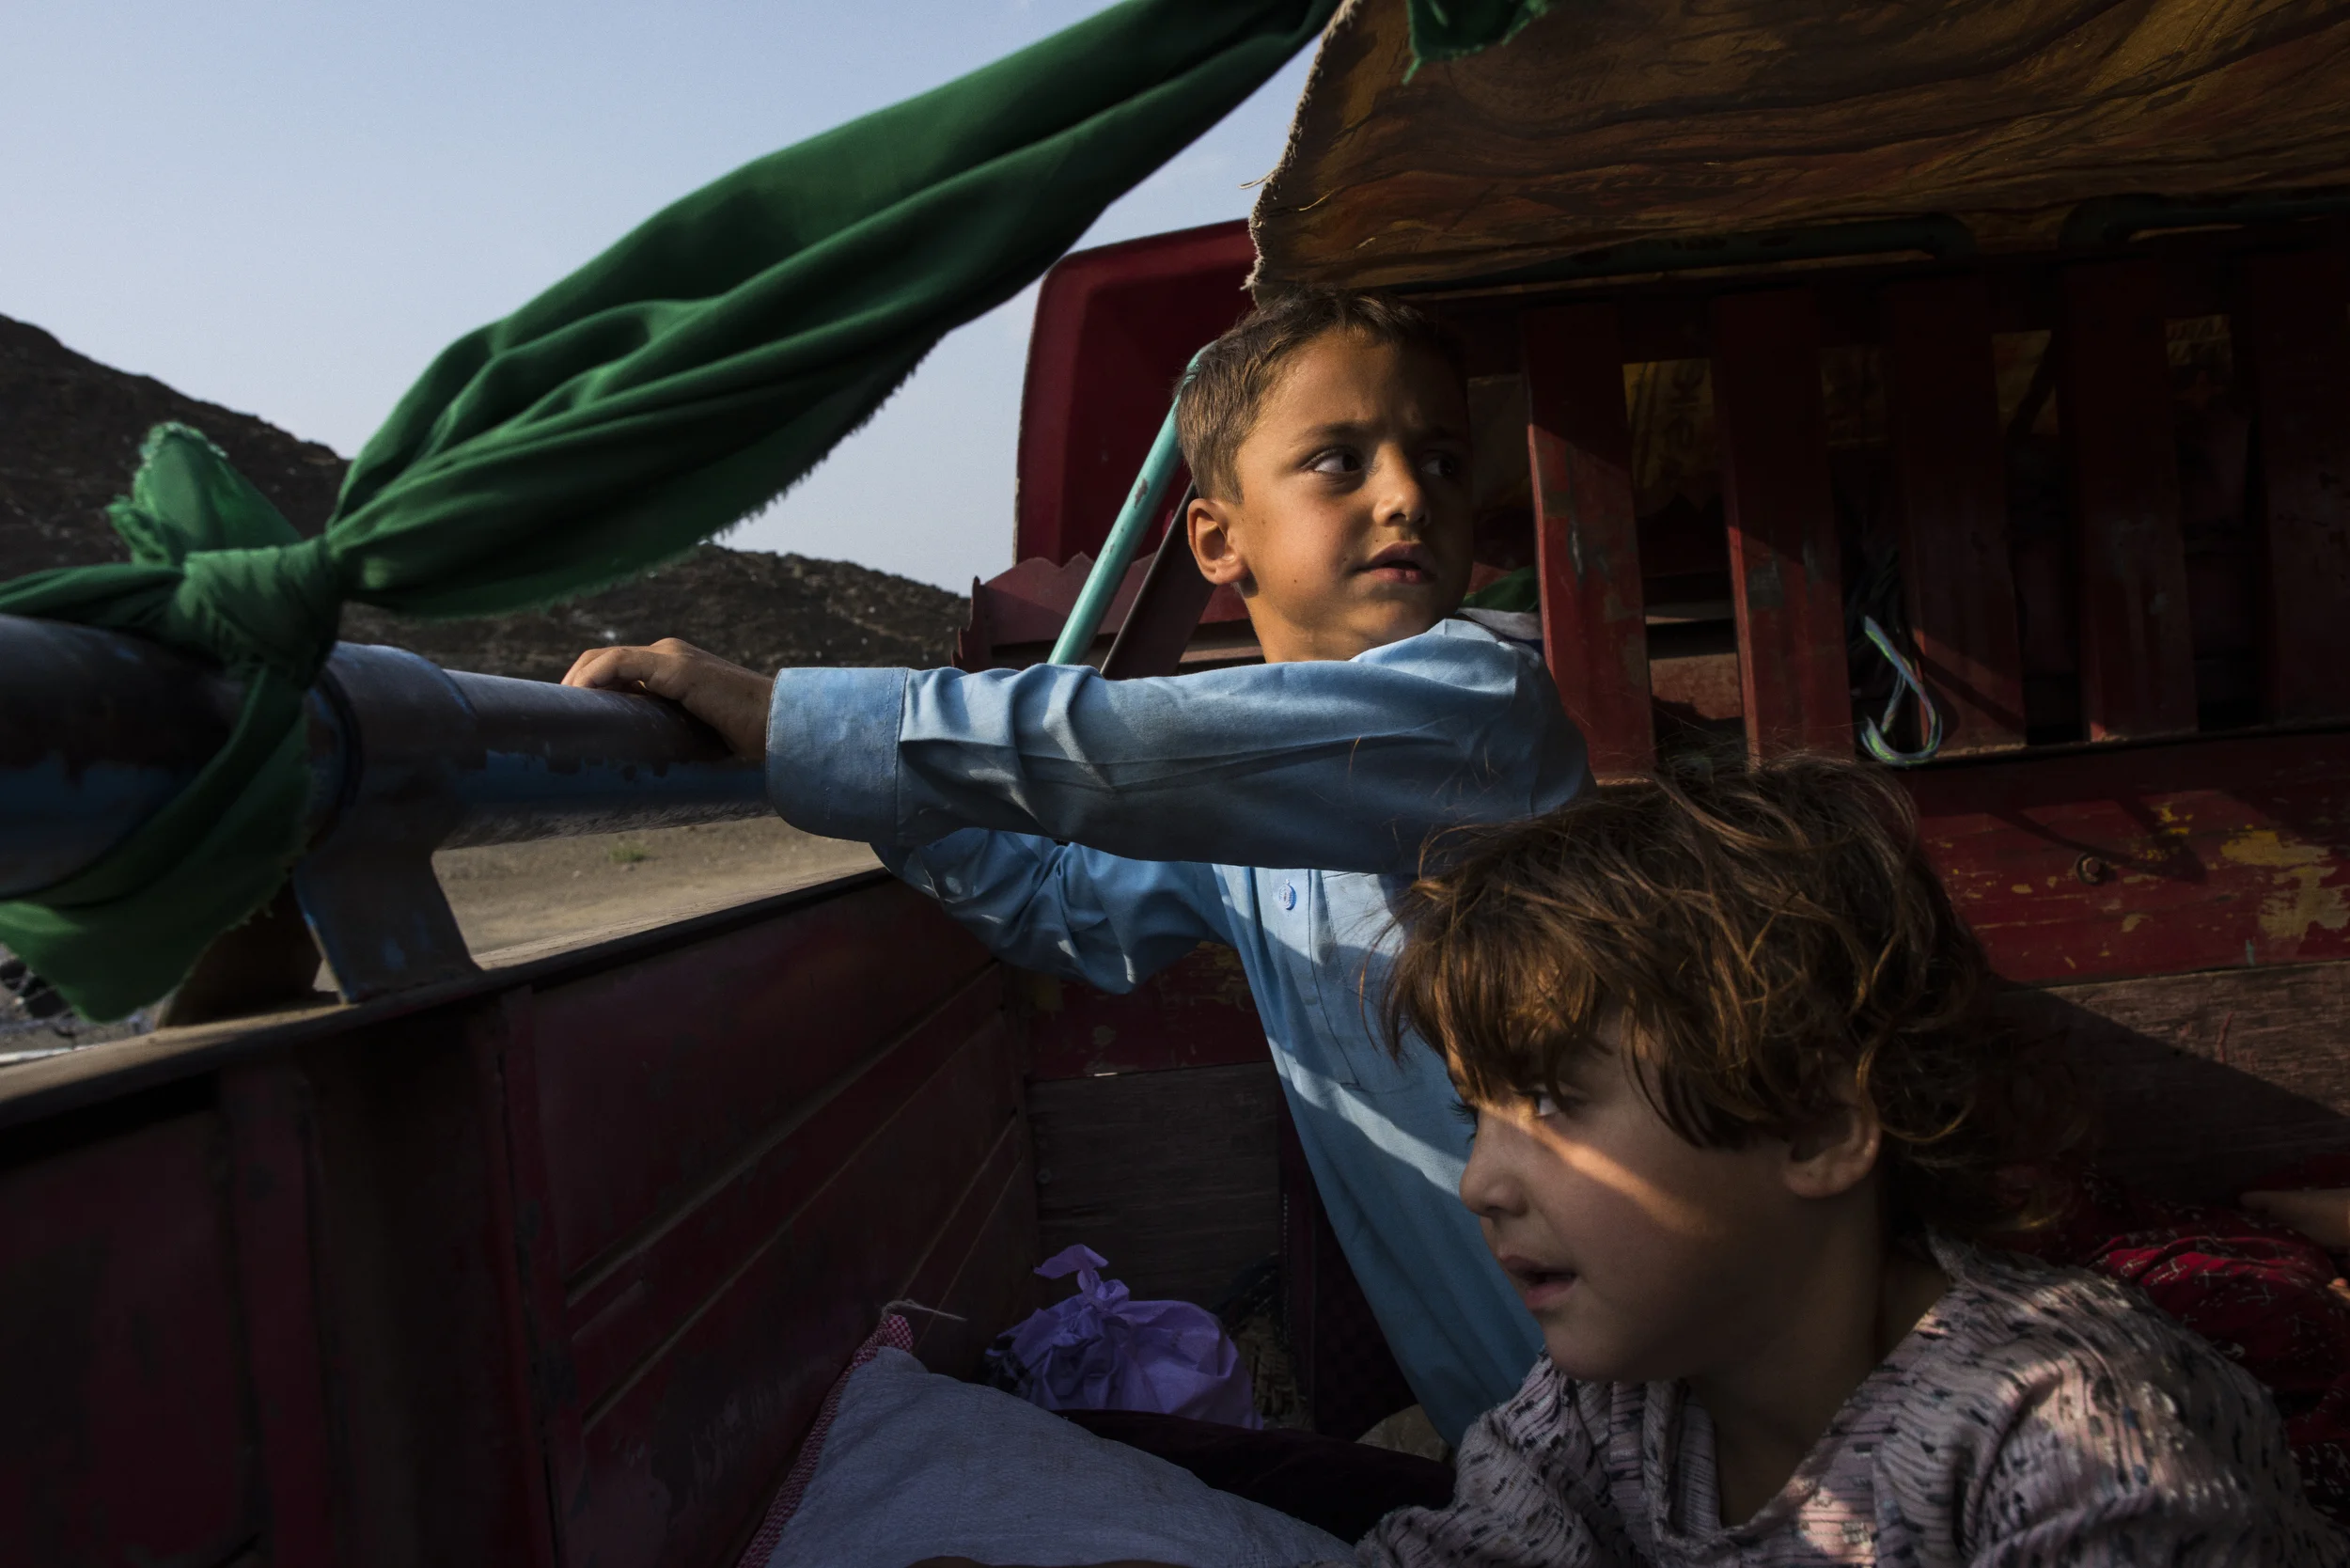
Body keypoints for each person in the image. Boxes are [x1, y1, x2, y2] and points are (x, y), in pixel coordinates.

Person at [563, 289, 1584, 1443]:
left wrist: (795, 721)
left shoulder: (1485, 708)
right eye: (1340, 461)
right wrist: (886, 802)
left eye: (1441, 461)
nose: (1408, 494)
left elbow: (1121, 747)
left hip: (1644, 1393)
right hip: (1505, 1422)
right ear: (1218, 540)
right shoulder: (1242, 826)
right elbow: (1063, 906)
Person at [1330, 756, 2347, 1565]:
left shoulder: (2068, 1432)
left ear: (1815, 1127)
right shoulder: (1601, 1415)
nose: (1479, 1185)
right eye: (1478, 1118)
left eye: (1552, 1102)